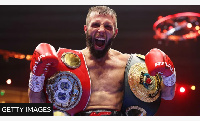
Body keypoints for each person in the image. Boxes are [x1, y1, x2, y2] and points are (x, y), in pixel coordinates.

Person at [28, 6, 176, 116]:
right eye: (95, 24)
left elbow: (168, 95)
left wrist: (170, 75)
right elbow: (36, 104)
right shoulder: (63, 63)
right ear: (86, 29)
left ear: (115, 32)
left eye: (107, 26)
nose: (101, 29)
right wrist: (36, 75)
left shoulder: (130, 65)